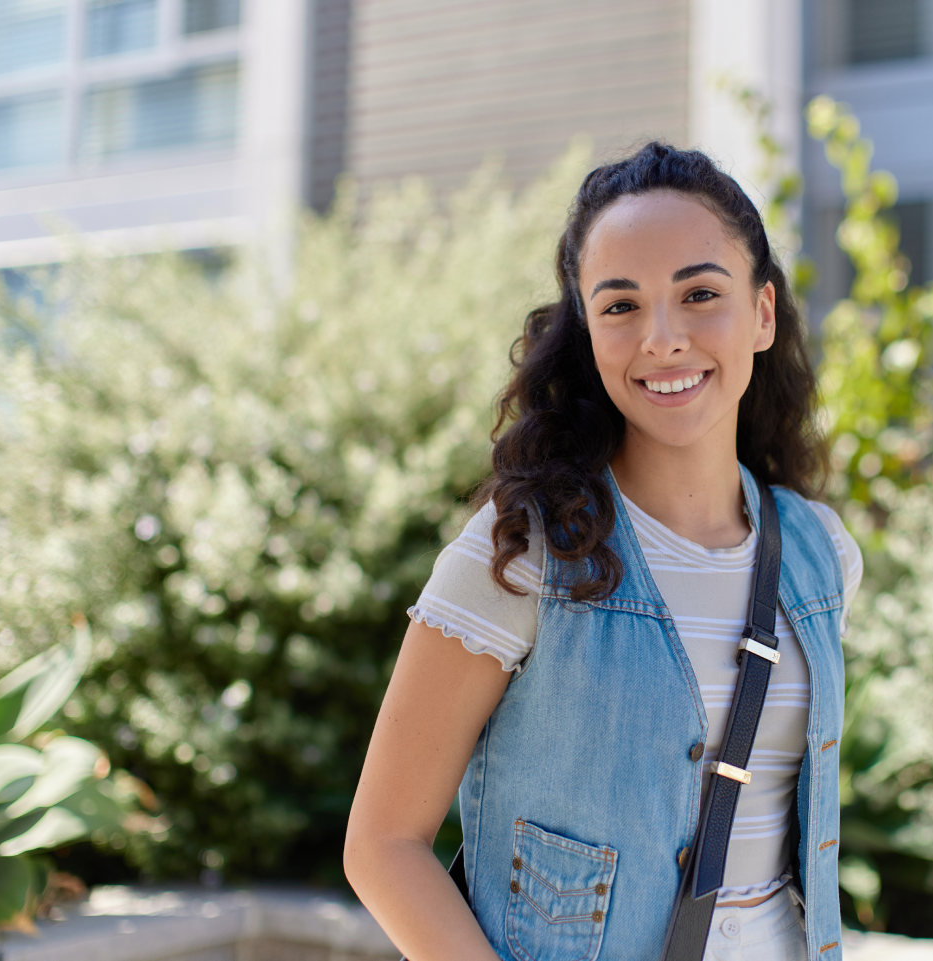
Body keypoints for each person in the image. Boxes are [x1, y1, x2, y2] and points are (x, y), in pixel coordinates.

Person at [343, 142, 862, 961]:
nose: (663, 338)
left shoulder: (818, 552)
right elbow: (382, 843)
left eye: (699, 294)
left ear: (762, 313)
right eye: (621, 306)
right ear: (586, 332)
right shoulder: (519, 555)